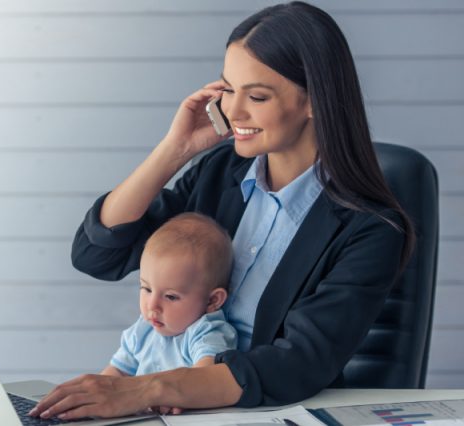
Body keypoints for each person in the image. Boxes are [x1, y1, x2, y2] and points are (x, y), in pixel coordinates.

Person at [30, 1, 415, 420]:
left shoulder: (370, 228)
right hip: (166, 407)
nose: (233, 111)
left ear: (314, 102)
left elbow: (299, 365)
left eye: (258, 96)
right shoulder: (221, 172)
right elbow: (98, 256)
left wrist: (141, 389)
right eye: (229, 89)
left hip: (255, 412)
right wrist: (173, 152)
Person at [101, 212, 237, 381]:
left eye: (171, 296)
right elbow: (117, 372)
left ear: (212, 300)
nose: (152, 305)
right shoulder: (143, 330)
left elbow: (205, 377)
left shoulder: (206, 332)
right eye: (146, 289)